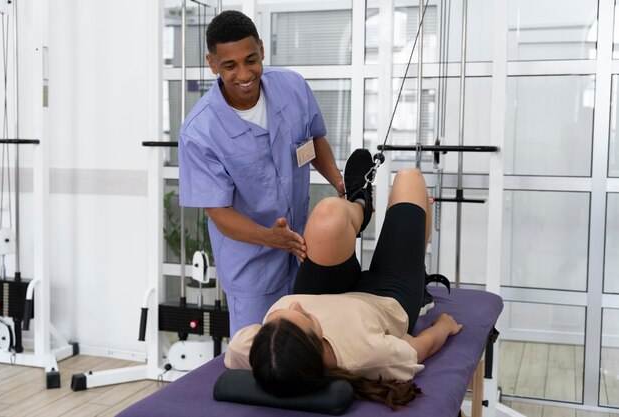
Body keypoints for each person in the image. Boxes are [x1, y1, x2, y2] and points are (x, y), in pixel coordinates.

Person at [224, 149, 460, 410]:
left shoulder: (258, 352)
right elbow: (418, 349)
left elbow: (237, 354)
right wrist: (445, 326)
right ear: (316, 347)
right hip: (387, 300)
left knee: (329, 214)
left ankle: (360, 204)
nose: (294, 305)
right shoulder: (368, 356)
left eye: (275, 320)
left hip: (321, 292)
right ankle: (418, 273)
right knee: (410, 178)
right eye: (301, 317)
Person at [178, 10, 344, 336]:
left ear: (262, 50)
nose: (244, 74)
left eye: (251, 60)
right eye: (230, 65)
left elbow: (313, 140)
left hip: (303, 251)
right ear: (212, 64)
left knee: (310, 348)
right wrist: (271, 238)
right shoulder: (199, 132)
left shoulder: (292, 88)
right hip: (251, 266)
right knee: (260, 358)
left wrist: (339, 182)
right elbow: (219, 213)